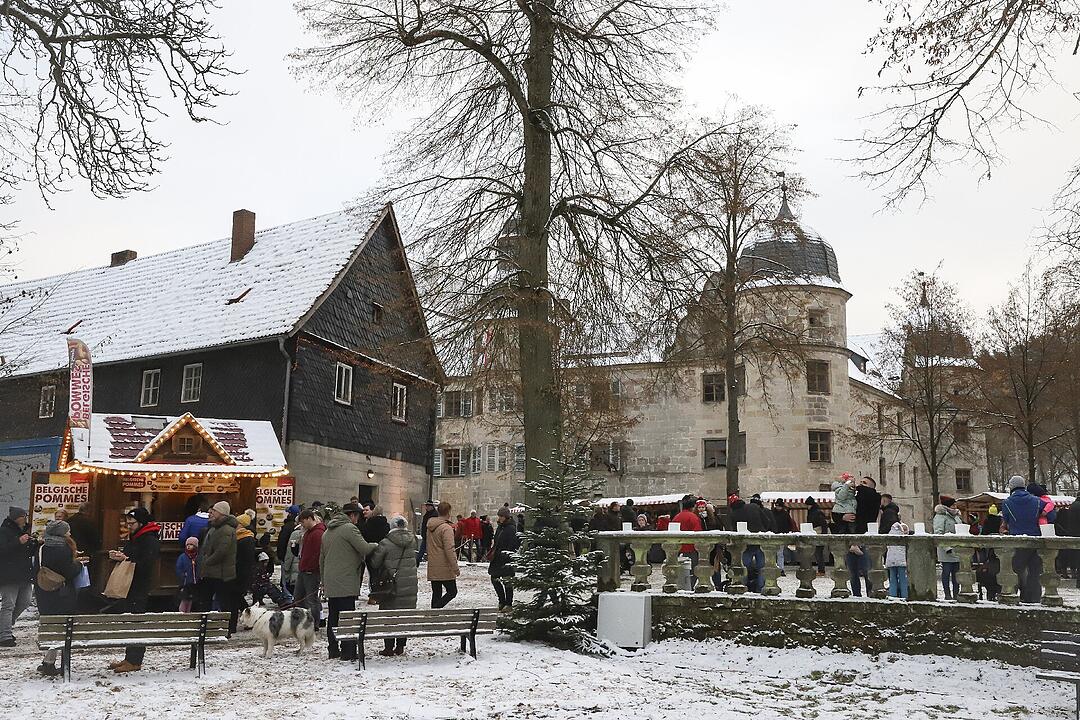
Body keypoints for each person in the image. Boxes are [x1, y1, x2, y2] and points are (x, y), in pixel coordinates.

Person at [320, 502, 376, 661]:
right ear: (352, 515)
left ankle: (333, 649)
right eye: (357, 517)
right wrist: (377, 545)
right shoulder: (350, 529)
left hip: (331, 581)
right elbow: (364, 548)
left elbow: (321, 559)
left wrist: (324, 581)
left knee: (333, 616)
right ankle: (348, 651)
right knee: (348, 617)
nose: (357, 520)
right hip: (346, 580)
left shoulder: (327, 531)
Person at [107, 508, 161, 673]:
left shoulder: (149, 539)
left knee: (136, 623)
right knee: (131, 622)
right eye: (128, 523)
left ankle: (135, 660)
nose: (129, 526)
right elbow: (133, 556)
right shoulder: (137, 537)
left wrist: (127, 559)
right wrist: (122, 556)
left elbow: (146, 564)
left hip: (139, 586)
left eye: (132, 523)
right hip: (131, 586)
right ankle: (130, 658)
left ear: (141, 523)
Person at [33, 520, 84, 676]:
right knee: (62, 629)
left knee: (51, 628)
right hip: (62, 594)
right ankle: (59, 663)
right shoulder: (64, 549)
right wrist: (79, 565)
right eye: (67, 531)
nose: (69, 533)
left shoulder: (41, 548)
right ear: (61, 533)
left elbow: (38, 569)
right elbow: (69, 572)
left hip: (44, 592)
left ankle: (48, 662)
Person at [369, 515, 418, 656]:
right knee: (405, 615)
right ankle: (400, 646)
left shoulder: (385, 543)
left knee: (389, 616)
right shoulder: (412, 541)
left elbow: (375, 563)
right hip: (410, 584)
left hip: (391, 586)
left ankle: (388, 647)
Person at [1002, 475, 1044, 602]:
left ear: (1011, 487)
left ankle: (1014, 597)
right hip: (1035, 541)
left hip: (1017, 540)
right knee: (1035, 573)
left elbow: (1007, 520)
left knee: (1016, 571)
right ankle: (1034, 599)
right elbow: (1051, 515)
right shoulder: (1037, 501)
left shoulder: (1007, 502)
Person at [195, 501, 237, 618]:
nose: (210, 513)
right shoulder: (214, 528)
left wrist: (206, 562)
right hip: (211, 573)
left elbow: (221, 552)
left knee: (224, 603)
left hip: (221, 574)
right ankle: (205, 627)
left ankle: (226, 628)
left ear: (222, 513)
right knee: (205, 602)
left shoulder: (226, 530)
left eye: (214, 511)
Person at [0, 506, 33, 647]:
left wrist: (33, 544)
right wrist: (19, 542)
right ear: (18, 518)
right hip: (9, 575)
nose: (25, 519)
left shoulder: (22, 531)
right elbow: (3, 550)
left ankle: (3, 628)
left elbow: (25, 552)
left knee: (25, 602)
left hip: (23, 574)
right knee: (9, 605)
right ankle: (4, 635)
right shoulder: (4, 531)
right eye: (24, 517)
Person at [727, 495, 769, 592]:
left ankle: (742, 587)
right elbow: (767, 521)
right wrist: (762, 531)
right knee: (762, 568)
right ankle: (761, 589)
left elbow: (734, 532)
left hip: (745, 545)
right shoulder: (753, 507)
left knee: (743, 568)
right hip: (760, 541)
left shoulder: (734, 514)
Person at [295, 509, 325, 628]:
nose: (302, 525)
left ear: (309, 518)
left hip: (311, 571)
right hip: (304, 569)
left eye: (302, 522)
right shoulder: (308, 532)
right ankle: (302, 622)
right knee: (298, 597)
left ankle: (314, 624)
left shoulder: (318, 534)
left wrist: (311, 566)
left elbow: (318, 554)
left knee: (311, 599)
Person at [427, 501, 460, 608]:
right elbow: (449, 549)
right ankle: (437, 608)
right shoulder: (446, 528)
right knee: (452, 591)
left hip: (433, 564)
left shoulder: (431, 526)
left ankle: (434, 615)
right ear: (448, 512)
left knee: (436, 593)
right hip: (444, 566)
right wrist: (455, 567)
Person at [489, 507, 520, 612]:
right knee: (494, 578)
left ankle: (508, 603)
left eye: (501, 516)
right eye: (499, 516)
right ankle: (501, 600)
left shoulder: (511, 528)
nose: (500, 518)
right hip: (497, 557)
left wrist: (507, 554)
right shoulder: (500, 527)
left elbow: (513, 543)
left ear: (506, 516)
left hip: (506, 557)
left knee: (507, 581)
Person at [933, 496, 961, 600]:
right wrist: (946, 548)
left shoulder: (957, 516)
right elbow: (938, 533)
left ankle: (956, 594)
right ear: (948, 506)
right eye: (953, 505)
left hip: (957, 549)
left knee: (956, 574)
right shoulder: (940, 516)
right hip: (946, 551)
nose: (955, 507)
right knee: (946, 573)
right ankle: (947, 595)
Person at [233, 512, 257, 631]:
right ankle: (249, 617)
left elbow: (245, 559)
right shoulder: (241, 537)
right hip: (241, 571)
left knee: (237, 596)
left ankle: (250, 617)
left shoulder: (246, 539)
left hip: (242, 572)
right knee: (237, 596)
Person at [976, 504, 1003, 600]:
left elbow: (984, 532)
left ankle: (990, 595)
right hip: (999, 545)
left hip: (989, 546)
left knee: (989, 562)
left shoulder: (987, 521)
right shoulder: (1000, 520)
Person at [884, 521, 909, 599]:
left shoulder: (890, 536)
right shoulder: (903, 538)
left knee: (892, 578)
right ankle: (904, 595)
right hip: (901, 560)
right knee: (903, 578)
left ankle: (893, 594)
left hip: (891, 560)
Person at [805, 496, 829, 576]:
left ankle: (821, 570)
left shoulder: (816, 512)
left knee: (818, 553)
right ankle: (821, 569)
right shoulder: (814, 511)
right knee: (817, 553)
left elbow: (823, 524)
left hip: (819, 533)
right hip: (816, 533)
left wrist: (823, 535)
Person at [280, 518, 304, 598]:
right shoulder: (309, 532)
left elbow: (290, 552)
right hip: (304, 565)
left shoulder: (295, 533)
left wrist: (286, 566)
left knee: (293, 588)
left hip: (294, 565)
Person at [176, 537, 199, 612]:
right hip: (185, 582)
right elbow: (179, 568)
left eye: (191, 545)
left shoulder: (197, 557)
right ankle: (182, 613)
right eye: (187, 544)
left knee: (191, 600)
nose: (189, 546)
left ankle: (188, 612)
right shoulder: (183, 557)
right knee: (184, 599)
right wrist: (182, 576)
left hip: (195, 582)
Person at [771, 499, 793, 575]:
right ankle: (777, 568)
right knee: (777, 553)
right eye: (776, 506)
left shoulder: (775, 513)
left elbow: (788, 524)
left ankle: (780, 569)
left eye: (778, 506)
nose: (777, 507)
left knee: (779, 553)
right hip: (776, 535)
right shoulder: (784, 514)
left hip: (778, 535)